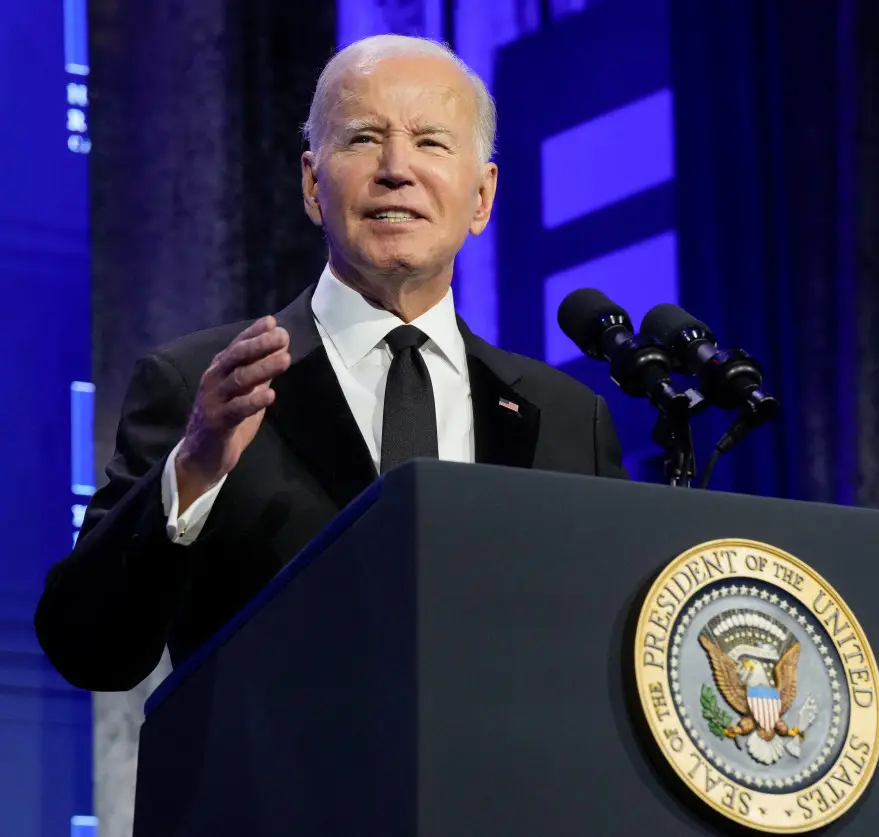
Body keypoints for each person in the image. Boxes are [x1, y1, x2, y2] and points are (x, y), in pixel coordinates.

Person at [34, 34, 627, 693]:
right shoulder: (201, 389)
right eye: (363, 138)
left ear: (482, 196)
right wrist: (193, 469)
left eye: (430, 141)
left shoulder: (569, 419)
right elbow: (88, 648)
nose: (396, 167)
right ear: (313, 185)